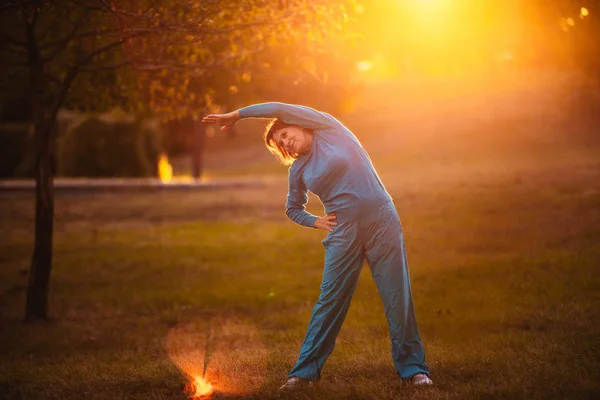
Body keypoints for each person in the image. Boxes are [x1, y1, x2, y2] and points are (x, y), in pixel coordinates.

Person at [202, 102, 432, 388]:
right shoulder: (298, 170)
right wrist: (315, 221)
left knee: (397, 296)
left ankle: (413, 369)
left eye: (285, 133)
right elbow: (293, 208)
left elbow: (278, 106)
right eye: (281, 142)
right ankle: (303, 373)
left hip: (381, 222)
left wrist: (237, 115)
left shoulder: (332, 130)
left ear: (298, 123)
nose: (286, 141)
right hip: (342, 231)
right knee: (330, 301)